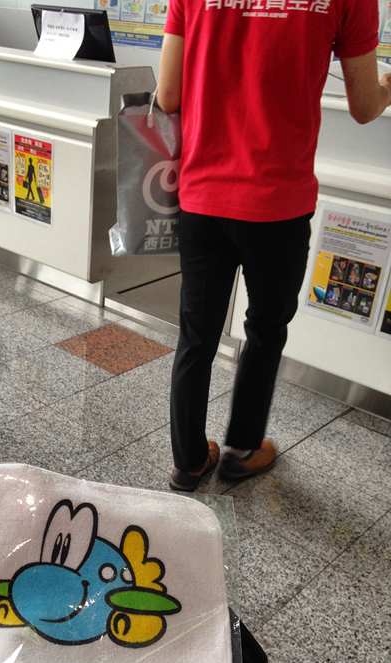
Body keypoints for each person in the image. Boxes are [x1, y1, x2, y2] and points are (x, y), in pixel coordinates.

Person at [157, 0, 391, 492]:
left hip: (203, 197)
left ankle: (188, 461)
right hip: (279, 205)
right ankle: (243, 451)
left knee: (197, 335)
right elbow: (365, 106)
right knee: (265, 329)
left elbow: (168, 96)